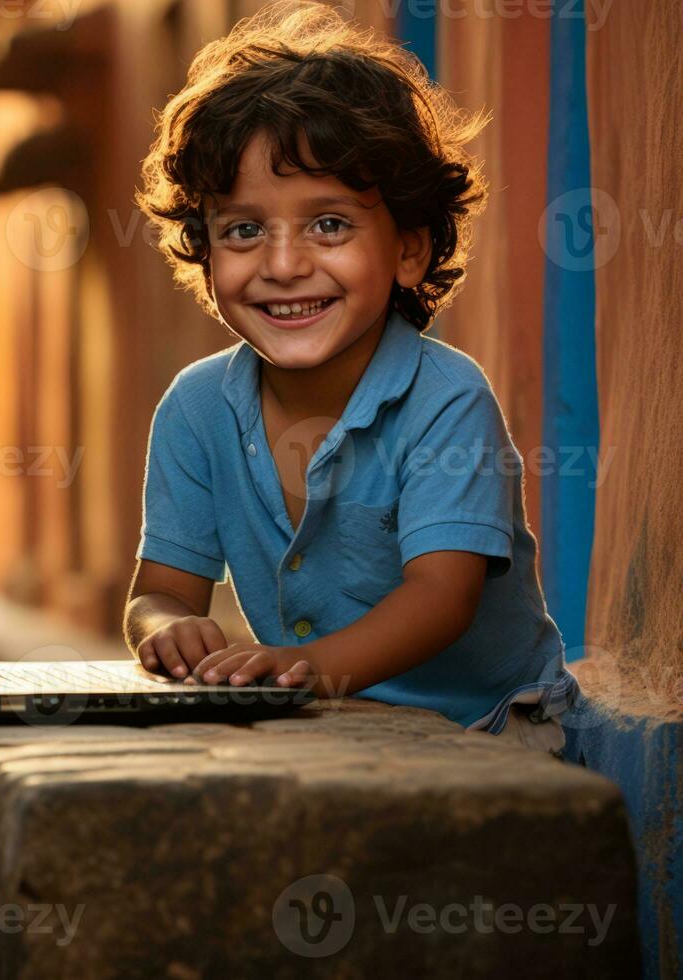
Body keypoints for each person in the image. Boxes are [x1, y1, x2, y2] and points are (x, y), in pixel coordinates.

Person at [123, 1, 577, 756]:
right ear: (205, 259)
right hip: (323, 724)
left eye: (328, 224)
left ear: (407, 250)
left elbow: (441, 598)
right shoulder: (195, 409)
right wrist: (169, 631)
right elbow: (158, 590)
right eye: (242, 230)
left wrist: (302, 669)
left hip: (491, 730)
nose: (282, 264)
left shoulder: (445, 398)